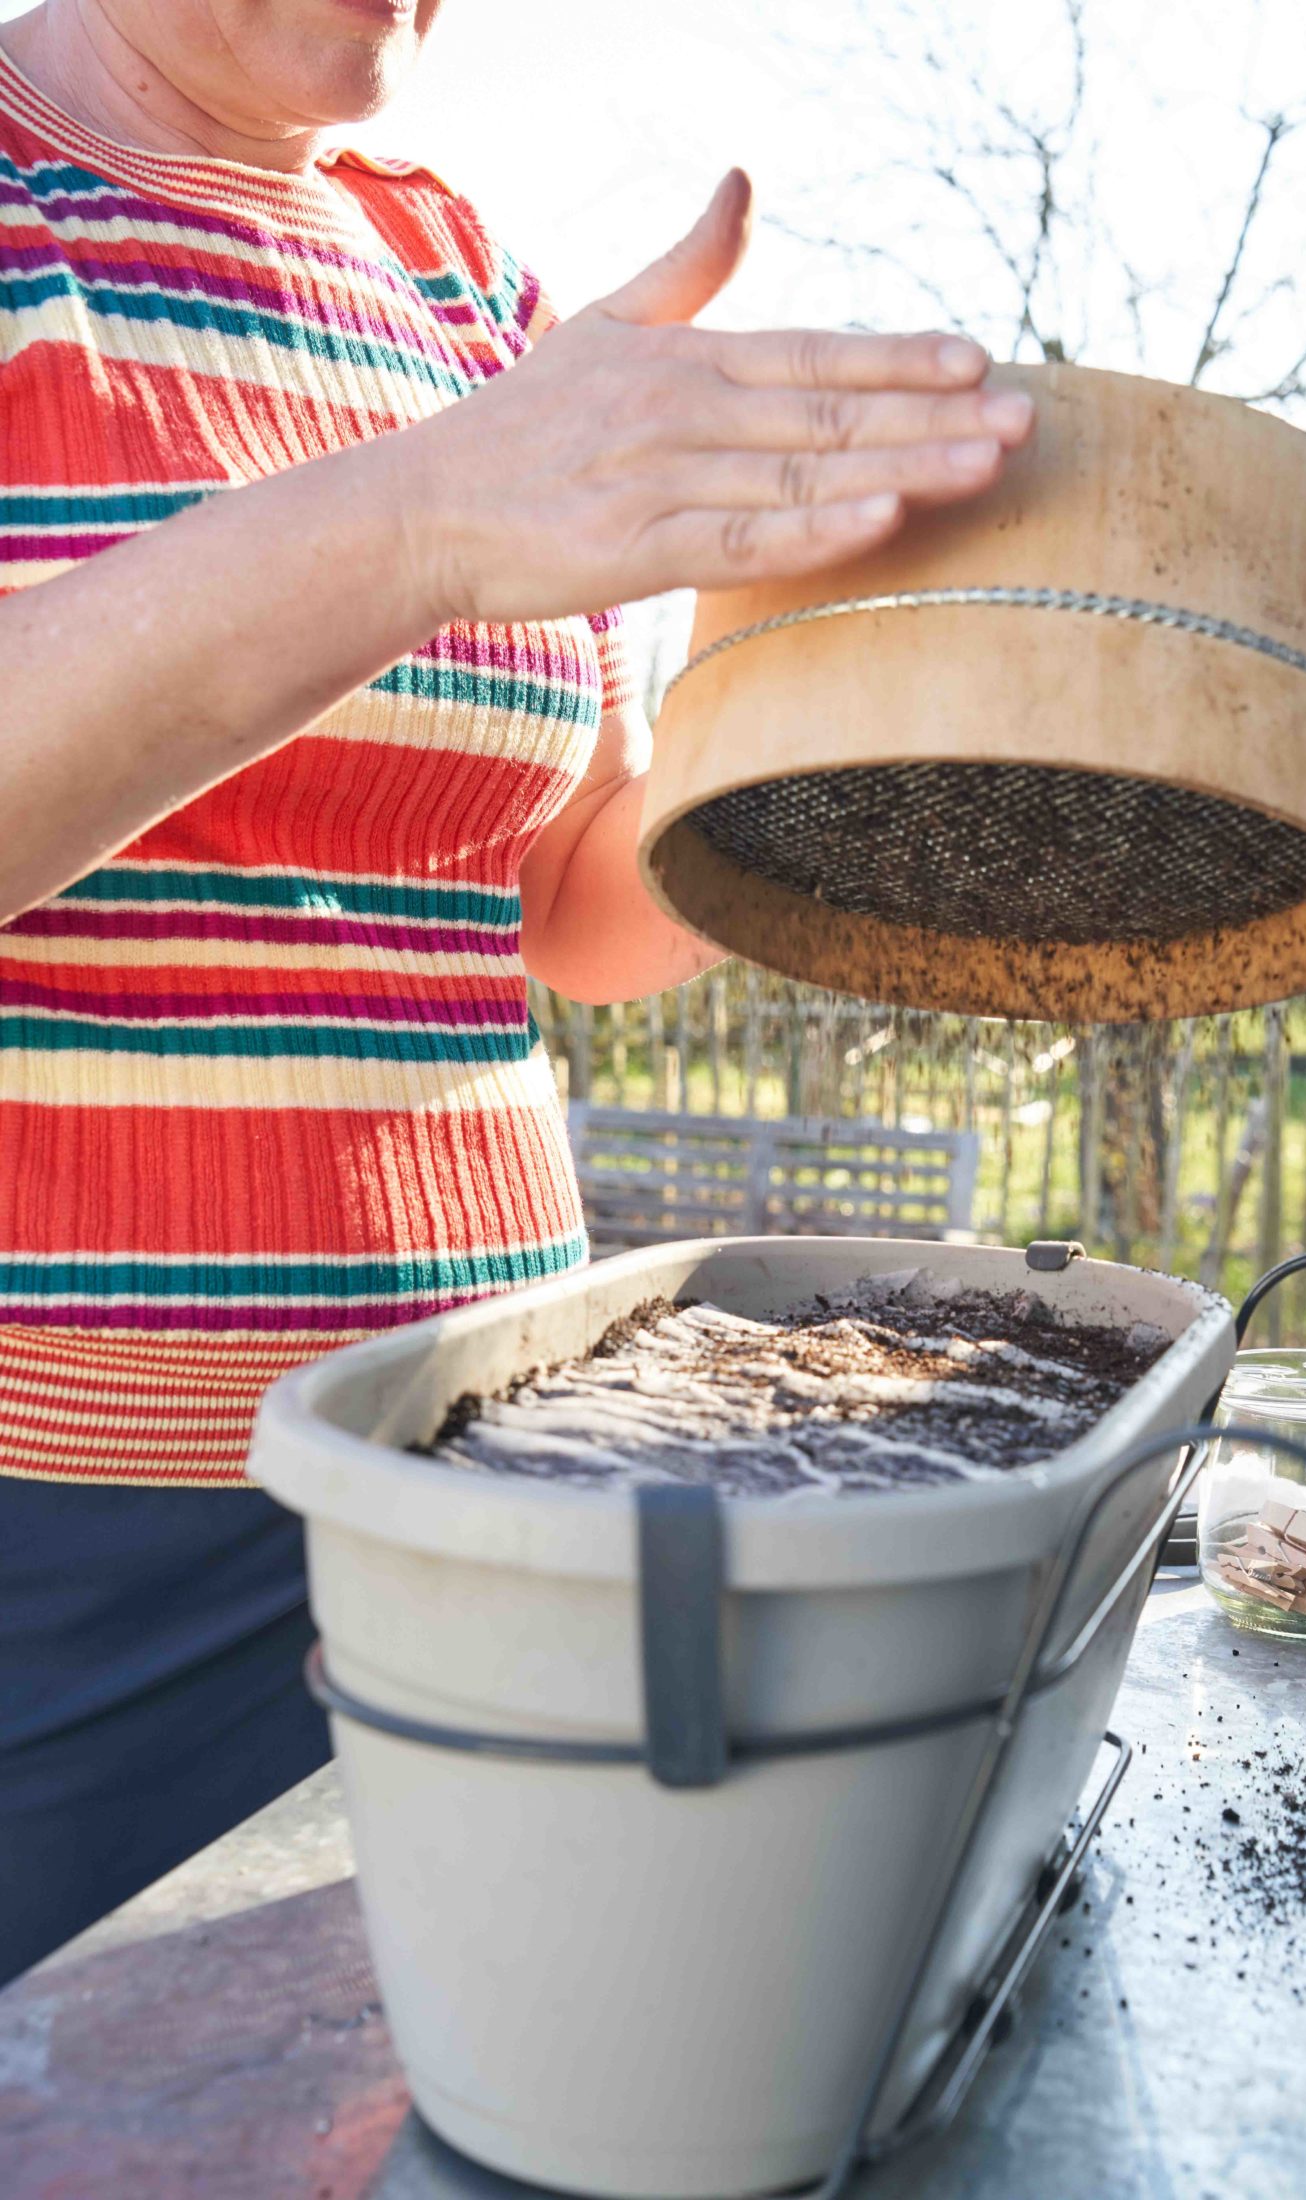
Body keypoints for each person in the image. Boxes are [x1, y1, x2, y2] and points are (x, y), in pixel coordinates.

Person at [0, 0, 1035, 1983]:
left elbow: (561, 896)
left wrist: (846, 766)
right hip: (59, 1551)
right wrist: (420, 513)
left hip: (489, 1467)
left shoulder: (454, 277)